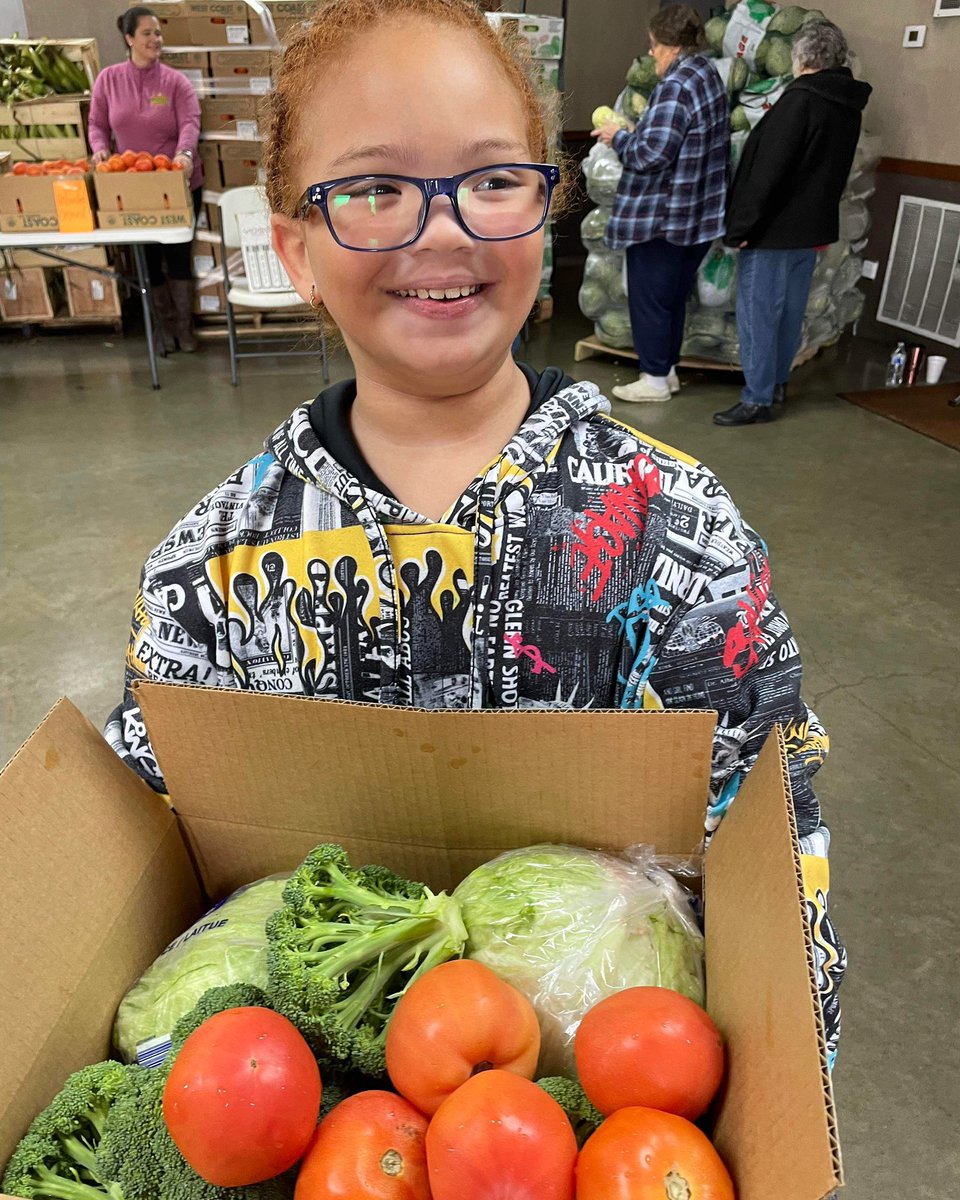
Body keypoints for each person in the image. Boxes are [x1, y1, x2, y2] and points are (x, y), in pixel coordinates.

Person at [104, 0, 843, 1066]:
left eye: (494, 180)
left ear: (548, 212)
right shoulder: (209, 569)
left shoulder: (676, 529)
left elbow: (779, 845)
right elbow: (142, 862)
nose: (442, 228)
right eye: (373, 188)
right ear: (294, 247)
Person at [715, 21, 871, 426]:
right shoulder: (846, 104)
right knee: (788, 312)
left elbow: (768, 172)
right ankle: (776, 383)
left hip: (772, 230)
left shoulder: (799, 101)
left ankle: (756, 398)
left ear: (802, 58)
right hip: (811, 229)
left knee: (758, 314)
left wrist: (741, 228)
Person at [593, 4, 729, 404]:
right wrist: (640, 131)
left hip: (662, 217)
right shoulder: (708, 74)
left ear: (671, 46)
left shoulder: (676, 84)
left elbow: (650, 155)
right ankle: (666, 371)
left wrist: (618, 137)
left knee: (650, 298)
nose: (651, 53)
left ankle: (652, 379)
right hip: (697, 216)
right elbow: (678, 139)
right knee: (671, 299)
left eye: (654, 45)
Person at [89, 6, 204, 352]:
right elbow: (97, 125)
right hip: (130, 187)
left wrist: (184, 153)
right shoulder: (108, 80)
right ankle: (161, 328)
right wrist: (98, 149)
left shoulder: (175, 82)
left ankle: (184, 329)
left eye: (158, 33)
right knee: (147, 260)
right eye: (147, 34)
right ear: (129, 38)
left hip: (176, 183)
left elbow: (190, 121)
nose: (156, 40)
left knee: (180, 255)